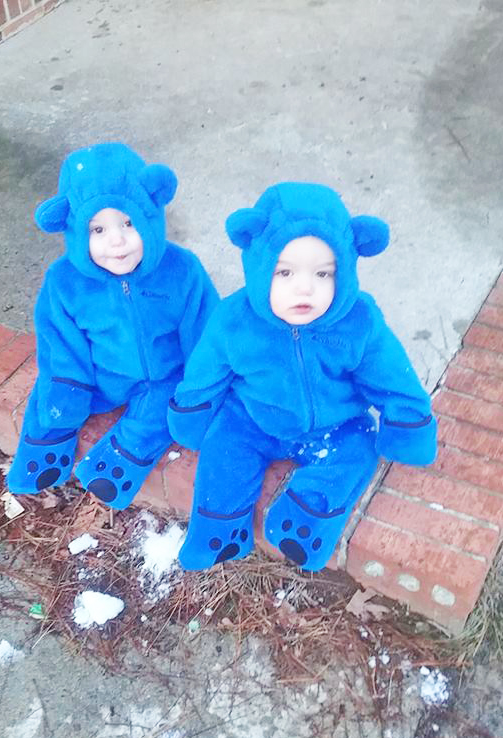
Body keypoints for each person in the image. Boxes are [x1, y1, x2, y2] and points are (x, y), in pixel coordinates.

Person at [167, 182, 437, 571]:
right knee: (223, 448)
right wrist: (192, 412)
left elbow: (391, 374)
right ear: (260, 265)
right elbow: (206, 372)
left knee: (360, 450)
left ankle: (305, 517)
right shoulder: (234, 320)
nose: (305, 288)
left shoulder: (358, 322)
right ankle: (218, 529)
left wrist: (409, 421)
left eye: (323, 273)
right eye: (285, 272)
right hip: (254, 418)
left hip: (336, 425)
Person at [7, 142, 218, 510]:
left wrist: (200, 390)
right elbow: (60, 344)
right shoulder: (65, 282)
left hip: (163, 377)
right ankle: (43, 449)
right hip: (98, 375)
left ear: (150, 215)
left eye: (128, 222)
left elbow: (206, 333)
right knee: (54, 391)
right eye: (98, 229)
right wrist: (68, 391)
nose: (117, 240)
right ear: (75, 231)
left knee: (159, 415)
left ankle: (118, 464)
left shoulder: (182, 270)